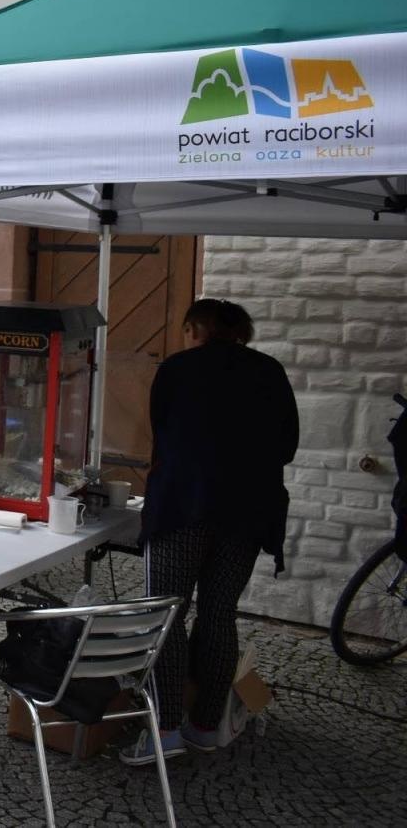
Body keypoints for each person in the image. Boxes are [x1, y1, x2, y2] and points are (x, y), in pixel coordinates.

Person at [122, 298, 298, 766]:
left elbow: (161, 432)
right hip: (248, 512)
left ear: (195, 327)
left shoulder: (179, 369)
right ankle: (205, 726)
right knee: (220, 613)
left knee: (166, 614)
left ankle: (165, 729)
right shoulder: (270, 370)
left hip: (183, 506)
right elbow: (287, 446)